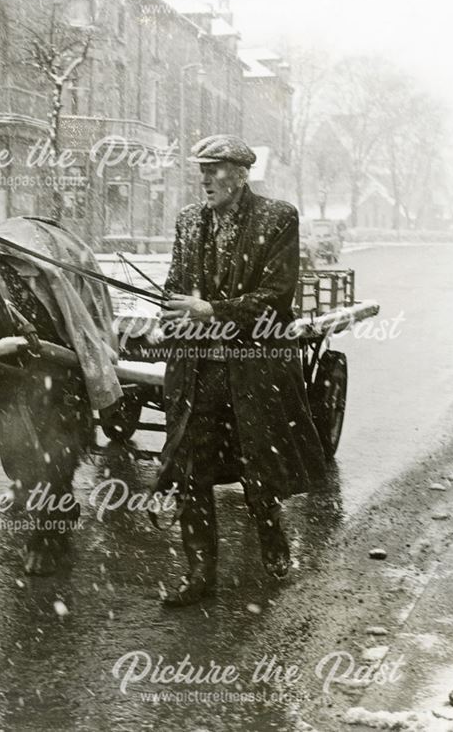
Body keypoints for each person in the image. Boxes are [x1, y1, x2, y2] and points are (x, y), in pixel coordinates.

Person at [156, 134, 327, 607]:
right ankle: (198, 572)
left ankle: (272, 542)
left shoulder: (277, 217)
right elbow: (175, 285)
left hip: (254, 369)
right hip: (196, 372)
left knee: (258, 465)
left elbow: (275, 297)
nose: (206, 179)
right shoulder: (189, 221)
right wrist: (170, 314)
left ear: (242, 173)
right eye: (201, 171)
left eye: (216, 170)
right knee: (191, 469)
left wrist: (209, 309)